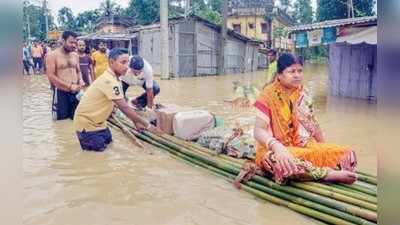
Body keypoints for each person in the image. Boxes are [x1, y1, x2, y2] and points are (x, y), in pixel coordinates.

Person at [249, 53, 357, 185]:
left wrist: (323, 148)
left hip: (296, 144)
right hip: (272, 150)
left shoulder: (301, 94)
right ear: (279, 75)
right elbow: (258, 131)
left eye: (300, 71)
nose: (297, 75)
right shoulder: (267, 95)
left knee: (347, 154)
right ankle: (327, 174)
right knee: (284, 164)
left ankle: (323, 169)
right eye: (291, 71)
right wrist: (278, 147)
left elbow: (312, 124)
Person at [73, 48, 162, 152]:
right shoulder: (109, 81)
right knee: (97, 159)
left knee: (109, 148)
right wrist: (148, 126)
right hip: (87, 126)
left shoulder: (116, 79)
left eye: (127, 62)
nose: (126, 66)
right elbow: (124, 107)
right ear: (111, 62)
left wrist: (136, 121)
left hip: (100, 124)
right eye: (123, 62)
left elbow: (115, 103)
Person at [46, 31, 85, 120]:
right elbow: (50, 76)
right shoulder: (52, 55)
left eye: (75, 43)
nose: (74, 45)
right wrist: (70, 86)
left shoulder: (75, 55)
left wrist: (81, 80)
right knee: (61, 121)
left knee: (76, 119)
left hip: (76, 92)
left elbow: (78, 71)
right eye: (71, 42)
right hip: (61, 93)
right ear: (63, 41)